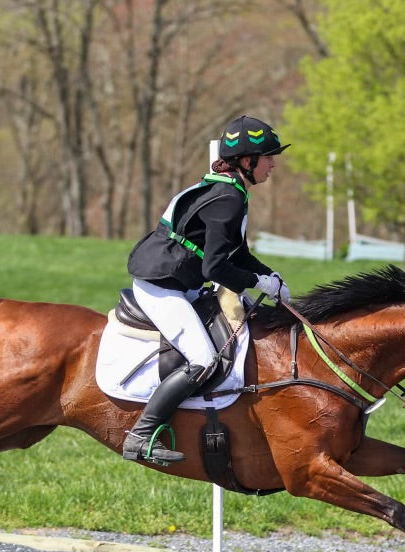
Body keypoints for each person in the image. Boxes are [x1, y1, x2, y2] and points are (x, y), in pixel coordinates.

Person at [122, 115, 293, 464]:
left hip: (177, 281)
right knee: (203, 360)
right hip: (160, 287)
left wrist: (269, 276)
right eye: (268, 157)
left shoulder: (229, 190)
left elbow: (237, 254)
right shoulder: (228, 199)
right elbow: (214, 268)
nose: (273, 163)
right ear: (247, 161)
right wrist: (257, 282)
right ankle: (140, 436)